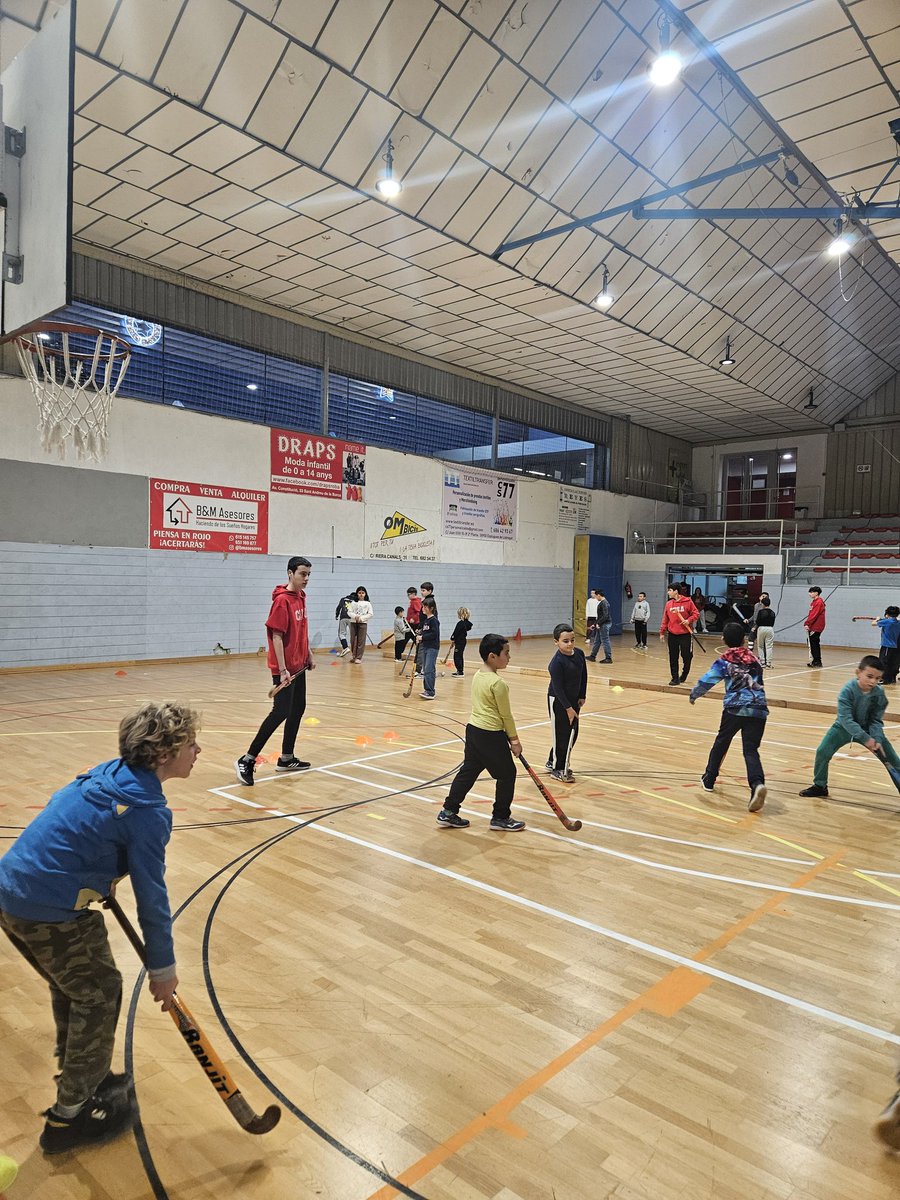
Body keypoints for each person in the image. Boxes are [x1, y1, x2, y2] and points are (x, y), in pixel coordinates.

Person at [0, 702, 200, 1154]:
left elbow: (67, 819)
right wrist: (163, 969)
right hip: (46, 907)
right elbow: (153, 896)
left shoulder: (105, 773)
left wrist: (94, 871)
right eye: (190, 744)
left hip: (12, 891)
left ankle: (79, 1070)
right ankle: (68, 1118)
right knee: (99, 992)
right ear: (164, 755)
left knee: (75, 986)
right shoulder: (147, 811)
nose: (198, 750)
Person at [235, 556, 314, 786]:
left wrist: (308, 653)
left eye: (308, 574)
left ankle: (286, 757)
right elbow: (276, 636)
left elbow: (302, 629)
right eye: (302, 574)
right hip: (285, 668)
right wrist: (282, 670)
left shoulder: (301, 596)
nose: (306, 579)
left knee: (298, 708)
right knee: (280, 712)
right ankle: (247, 759)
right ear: (290, 573)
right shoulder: (282, 601)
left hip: (299, 665)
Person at [436, 634, 525, 831]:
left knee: (469, 771)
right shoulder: (498, 683)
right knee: (507, 774)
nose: (509, 657)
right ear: (492, 656)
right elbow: (506, 716)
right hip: (490, 734)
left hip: (474, 731)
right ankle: (501, 817)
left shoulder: (478, 674)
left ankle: (448, 812)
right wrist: (515, 740)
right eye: (506, 653)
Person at [689, 623, 768, 812]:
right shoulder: (755, 660)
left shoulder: (724, 661)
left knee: (722, 742)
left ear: (723, 640)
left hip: (735, 708)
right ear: (743, 640)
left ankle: (709, 779)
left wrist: (694, 694)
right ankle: (757, 784)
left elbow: (708, 680)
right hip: (758, 708)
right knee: (750, 750)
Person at [799, 656, 900, 798]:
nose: (873, 682)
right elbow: (846, 719)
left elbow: (876, 720)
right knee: (822, 752)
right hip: (843, 728)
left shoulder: (879, 693)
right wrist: (866, 739)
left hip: (869, 731)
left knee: (894, 761)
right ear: (858, 673)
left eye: (877, 679)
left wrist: (876, 738)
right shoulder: (847, 690)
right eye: (869, 676)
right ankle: (820, 786)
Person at [546, 623, 588, 782]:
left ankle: (552, 760)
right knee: (561, 735)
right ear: (556, 642)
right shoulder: (556, 663)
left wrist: (582, 695)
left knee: (573, 733)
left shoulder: (579, 654)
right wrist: (568, 708)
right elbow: (558, 688)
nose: (570, 644)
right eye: (565, 641)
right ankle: (558, 769)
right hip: (559, 701)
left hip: (574, 700)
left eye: (572, 640)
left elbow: (583, 676)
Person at [659, 584, 699, 685]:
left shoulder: (688, 602)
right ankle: (675, 678)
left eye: (670, 590)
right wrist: (662, 632)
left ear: (676, 591)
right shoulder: (668, 604)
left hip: (685, 634)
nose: (668, 592)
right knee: (673, 656)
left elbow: (696, 614)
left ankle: (684, 674)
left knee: (686, 656)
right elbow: (665, 618)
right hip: (672, 634)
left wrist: (688, 620)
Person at [417, 598, 440, 700]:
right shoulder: (426, 621)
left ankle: (430, 691)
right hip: (426, 646)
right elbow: (426, 632)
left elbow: (434, 634)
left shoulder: (434, 621)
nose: (423, 608)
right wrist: (420, 635)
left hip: (432, 648)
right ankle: (427, 690)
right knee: (426, 669)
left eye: (425, 607)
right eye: (423, 606)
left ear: (431, 608)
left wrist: (423, 637)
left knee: (429, 669)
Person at [873, 606, 900, 685]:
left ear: (887, 614)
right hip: (895, 647)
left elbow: (873, 624)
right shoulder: (897, 623)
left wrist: (877, 619)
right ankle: (891, 678)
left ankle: (883, 679)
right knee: (893, 663)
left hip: (887, 646)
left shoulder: (887, 622)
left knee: (883, 662)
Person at [348, 585, 373, 663]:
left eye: (363, 593)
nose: (361, 594)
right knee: (353, 640)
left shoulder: (368, 603)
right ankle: (354, 656)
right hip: (353, 623)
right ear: (357, 594)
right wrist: (355, 616)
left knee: (361, 640)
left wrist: (362, 618)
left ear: (365, 594)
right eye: (359, 593)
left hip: (363, 623)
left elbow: (371, 614)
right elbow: (349, 612)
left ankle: (359, 657)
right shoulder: (353, 603)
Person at [587, 588, 612, 663]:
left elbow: (606, 616)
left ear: (598, 595)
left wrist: (599, 623)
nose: (595, 598)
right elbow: (601, 616)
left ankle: (608, 658)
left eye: (595, 596)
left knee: (605, 641)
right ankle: (592, 656)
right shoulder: (602, 602)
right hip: (601, 624)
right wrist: (595, 624)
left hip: (604, 625)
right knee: (597, 641)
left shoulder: (604, 603)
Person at [752, 592, 776, 668]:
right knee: (769, 646)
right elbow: (773, 623)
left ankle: (762, 662)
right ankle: (768, 663)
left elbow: (758, 621)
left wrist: (755, 627)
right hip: (770, 629)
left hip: (761, 628)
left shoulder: (761, 612)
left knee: (760, 646)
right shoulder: (773, 612)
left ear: (762, 604)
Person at [804, 585, 826, 667]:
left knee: (814, 643)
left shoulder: (818, 602)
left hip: (816, 626)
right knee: (812, 642)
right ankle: (815, 660)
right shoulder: (814, 602)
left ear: (816, 593)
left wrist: (807, 623)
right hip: (813, 625)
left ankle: (817, 661)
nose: (809, 594)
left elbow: (814, 614)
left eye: (811, 592)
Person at [449, 607, 473, 676]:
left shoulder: (460, 623)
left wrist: (452, 638)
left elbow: (456, 632)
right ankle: (460, 670)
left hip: (459, 642)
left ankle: (460, 672)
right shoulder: (465, 623)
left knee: (457, 656)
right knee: (460, 655)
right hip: (462, 641)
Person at [334, 590, 354, 657]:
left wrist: (336, 615)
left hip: (343, 617)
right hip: (352, 618)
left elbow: (338, 608)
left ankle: (345, 648)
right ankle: (355, 651)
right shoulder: (356, 601)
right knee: (353, 635)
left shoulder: (343, 599)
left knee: (342, 633)